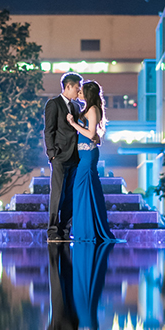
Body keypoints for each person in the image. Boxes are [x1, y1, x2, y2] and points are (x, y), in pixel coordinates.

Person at [66, 80, 119, 242]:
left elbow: (90, 134)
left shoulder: (93, 110)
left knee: (83, 191)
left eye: (81, 91)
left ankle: (88, 231)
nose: (79, 93)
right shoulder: (88, 109)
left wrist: (74, 124)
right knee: (83, 191)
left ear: (88, 94)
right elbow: (94, 136)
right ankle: (86, 229)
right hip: (84, 154)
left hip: (88, 156)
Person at [43, 72, 83, 242]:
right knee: (57, 194)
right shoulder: (53, 104)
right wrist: (52, 154)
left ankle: (65, 230)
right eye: (77, 88)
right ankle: (52, 230)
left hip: (74, 157)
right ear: (68, 86)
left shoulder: (76, 107)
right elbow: (48, 130)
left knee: (70, 195)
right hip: (59, 156)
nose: (78, 91)